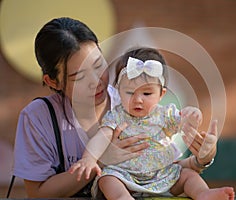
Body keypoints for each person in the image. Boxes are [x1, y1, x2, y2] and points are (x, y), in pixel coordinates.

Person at [12, 17, 222, 198]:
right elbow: (37, 193)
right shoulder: (38, 118)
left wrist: (203, 157)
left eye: (98, 65)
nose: (97, 81)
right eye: (80, 77)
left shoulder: (131, 101)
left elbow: (166, 162)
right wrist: (102, 161)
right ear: (53, 82)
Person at [69, 47, 235, 200]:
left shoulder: (164, 114)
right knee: (107, 179)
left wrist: (193, 114)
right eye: (129, 92)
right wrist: (89, 159)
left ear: (161, 94)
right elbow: (102, 137)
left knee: (188, 176)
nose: (138, 100)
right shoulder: (116, 116)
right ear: (118, 90)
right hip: (126, 175)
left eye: (147, 93)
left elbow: (183, 119)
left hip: (163, 174)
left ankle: (203, 194)